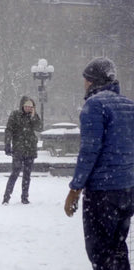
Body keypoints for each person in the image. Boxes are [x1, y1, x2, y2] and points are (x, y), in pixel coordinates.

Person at [64, 57, 134, 270]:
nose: (84, 83)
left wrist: (75, 188)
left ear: (93, 81)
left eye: (86, 79)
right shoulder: (129, 105)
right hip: (127, 189)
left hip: (102, 192)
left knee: (100, 252)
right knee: (118, 248)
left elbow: (89, 151)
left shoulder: (94, 105)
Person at [2, 96, 42, 205]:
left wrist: (33, 116)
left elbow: (39, 128)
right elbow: (9, 129)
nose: (28, 108)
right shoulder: (15, 115)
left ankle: (25, 197)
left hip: (30, 149)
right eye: (27, 106)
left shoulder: (34, 116)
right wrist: (7, 143)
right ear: (22, 106)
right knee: (15, 172)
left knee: (27, 175)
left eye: (31, 106)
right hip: (18, 149)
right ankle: (6, 197)